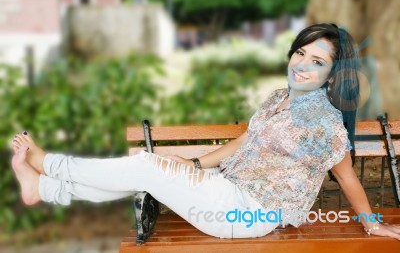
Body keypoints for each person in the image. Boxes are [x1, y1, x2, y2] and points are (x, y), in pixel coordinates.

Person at [11, 23, 400, 240]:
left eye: (317, 61)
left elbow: (347, 178)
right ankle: (43, 189)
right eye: (300, 53)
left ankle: (50, 165)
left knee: (146, 165)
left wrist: (372, 224)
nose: (302, 64)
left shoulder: (325, 123)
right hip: (225, 189)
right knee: (142, 162)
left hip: (247, 213)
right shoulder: (279, 98)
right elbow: (245, 141)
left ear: (333, 73)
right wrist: (193, 162)